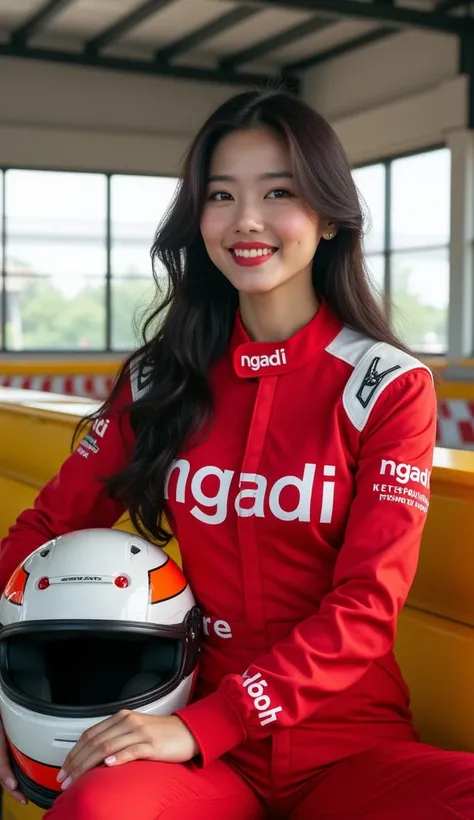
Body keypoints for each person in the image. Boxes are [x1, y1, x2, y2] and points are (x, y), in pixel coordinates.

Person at [0, 89, 472, 820]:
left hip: (348, 748)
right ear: (199, 219)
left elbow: (369, 607)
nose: (247, 220)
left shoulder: (387, 386)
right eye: (222, 195)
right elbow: (39, 535)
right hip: (199, 754)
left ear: (329, 214)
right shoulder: (161, 380)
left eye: (278, 191)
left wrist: (205, 724)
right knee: (99, 809)